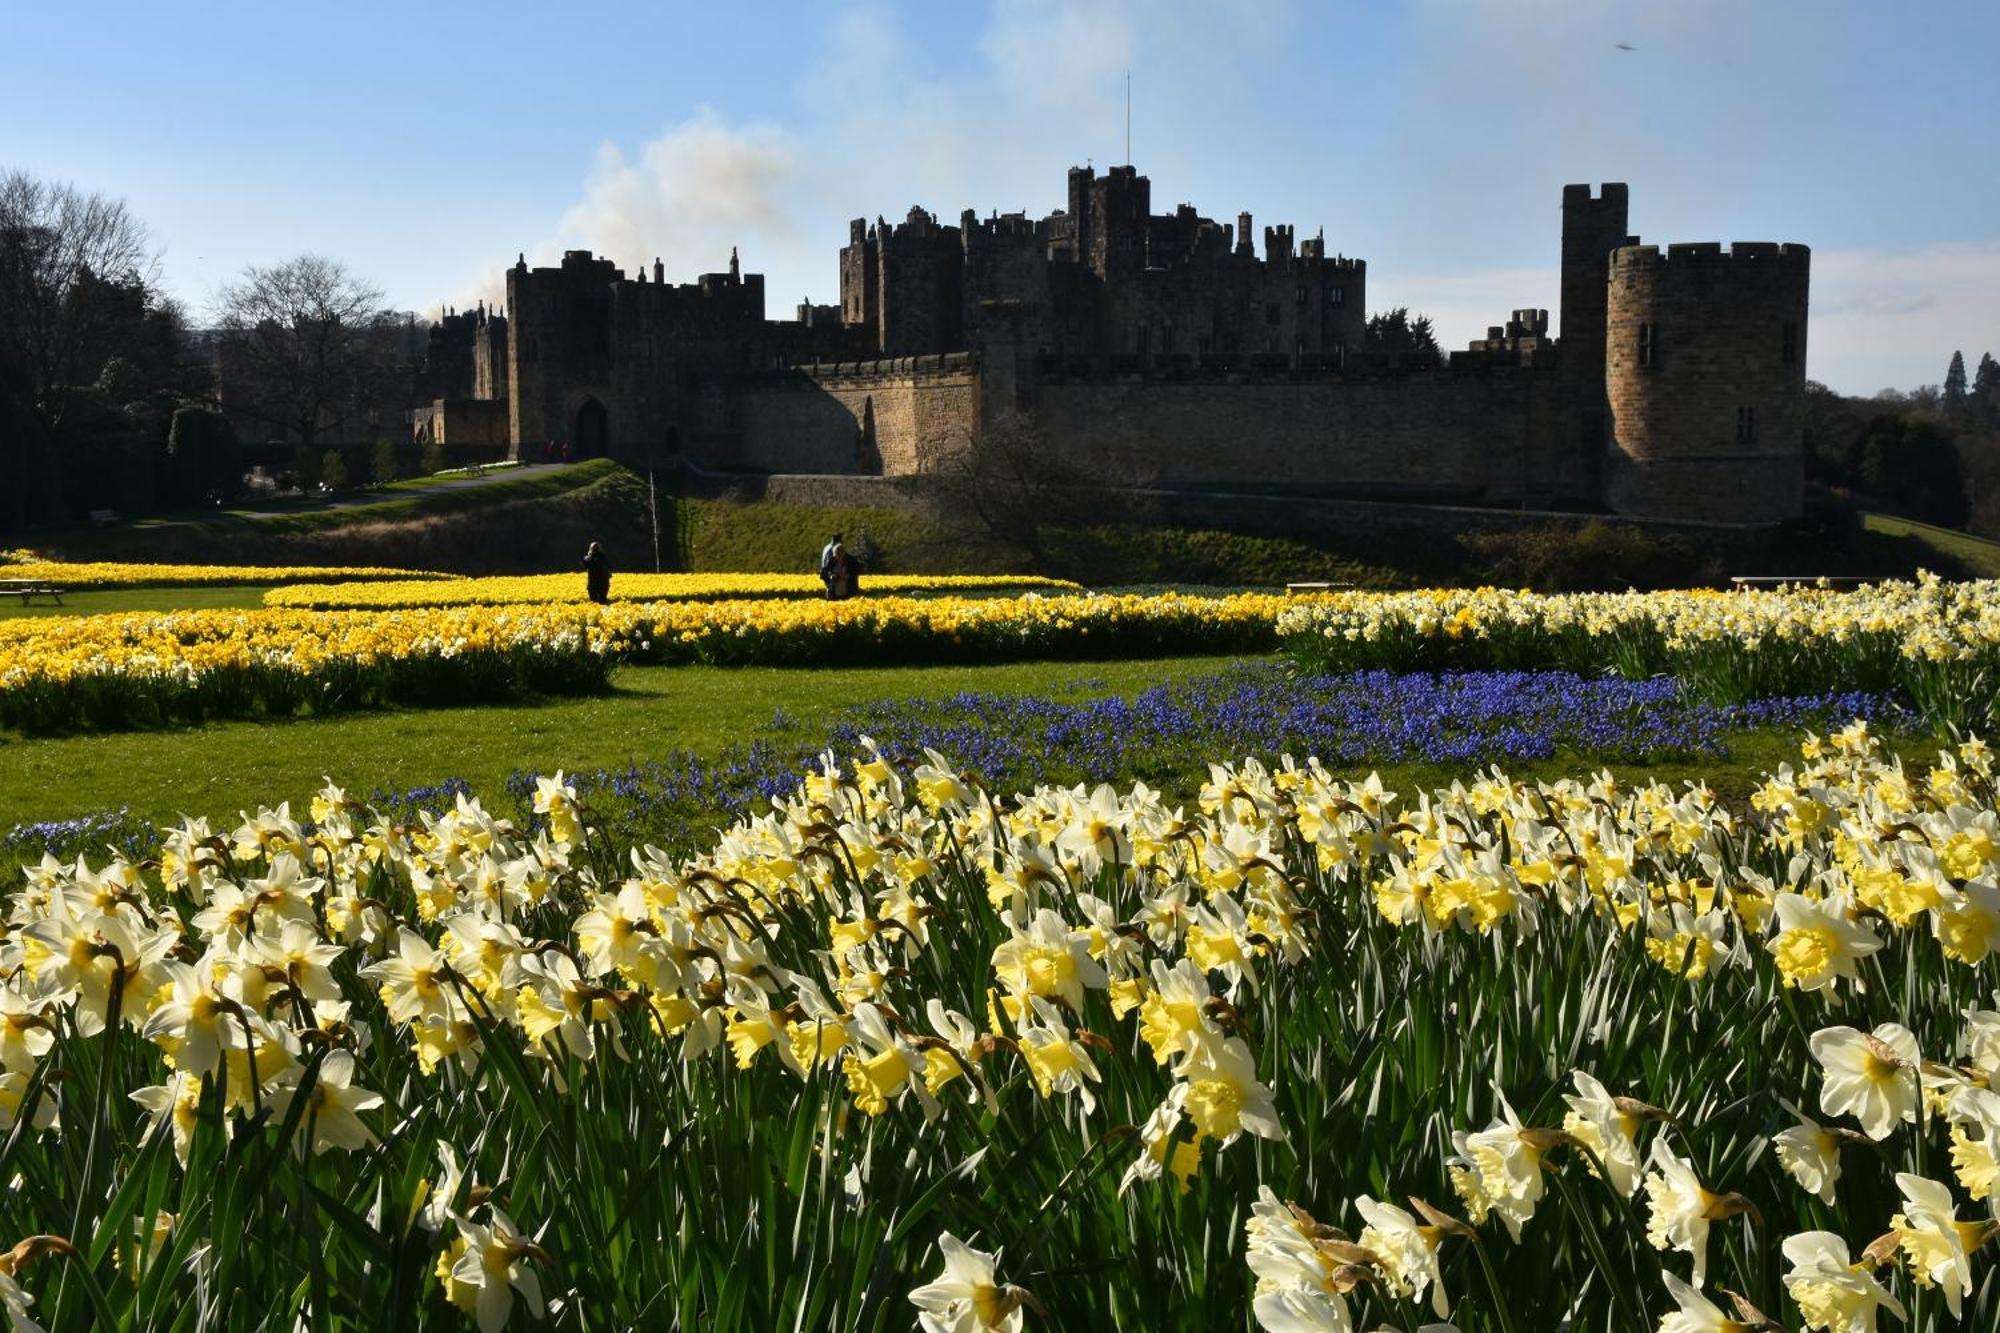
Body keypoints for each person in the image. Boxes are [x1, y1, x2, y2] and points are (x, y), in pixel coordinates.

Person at [819, 532, 843, 599]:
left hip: (824, 572)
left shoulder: (827, 547)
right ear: (839, 540)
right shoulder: (833, 549)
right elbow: (830, 563)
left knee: (829, 590)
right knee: (832, 593)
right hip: (830, 574)